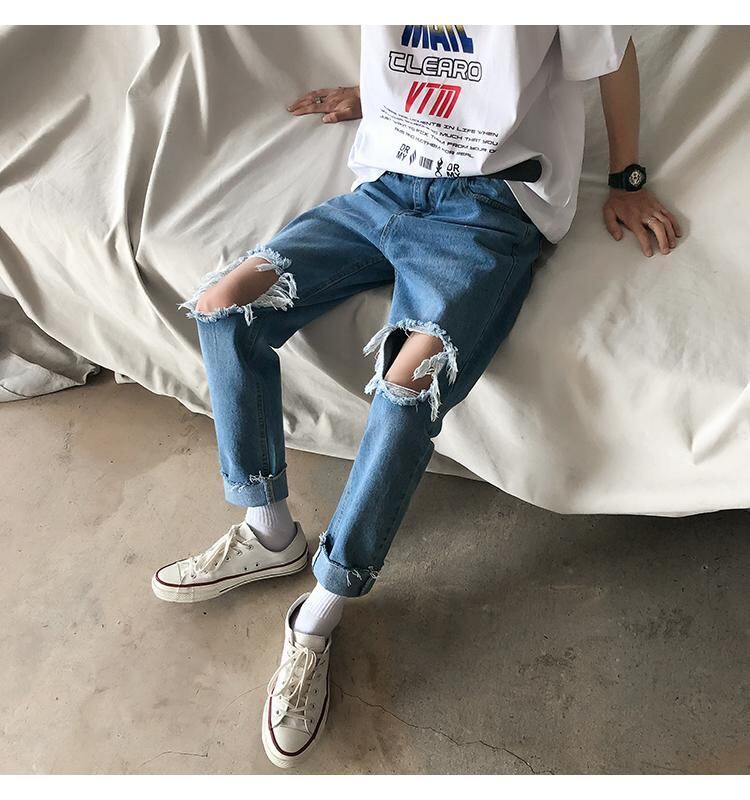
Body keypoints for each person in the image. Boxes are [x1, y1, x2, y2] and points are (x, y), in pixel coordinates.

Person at [151, 25, 681, 768]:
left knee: (411, 379)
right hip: (388, 187)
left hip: (492, 206)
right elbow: (430, 55)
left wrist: (628, 178)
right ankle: (269, 532)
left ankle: (321, 610)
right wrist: (376, 98)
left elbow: (612, 49)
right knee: (224, 305)